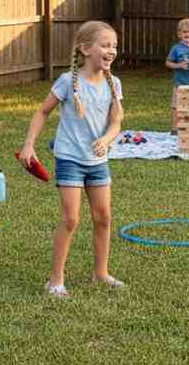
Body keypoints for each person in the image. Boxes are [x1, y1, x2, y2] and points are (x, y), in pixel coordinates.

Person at [19, 20, 124, 298]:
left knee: (104, 218)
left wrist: (107, 138)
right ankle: (55, 280)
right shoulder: (68, 82)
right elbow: (42, 112)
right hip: (69, 158)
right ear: (85, 49)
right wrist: (29, 144)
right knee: (71, 219)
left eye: (114, 45)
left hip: (97, 161)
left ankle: (100, 274)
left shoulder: (114, 83)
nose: (111, 50)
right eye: (105, 45)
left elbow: (116, 123)